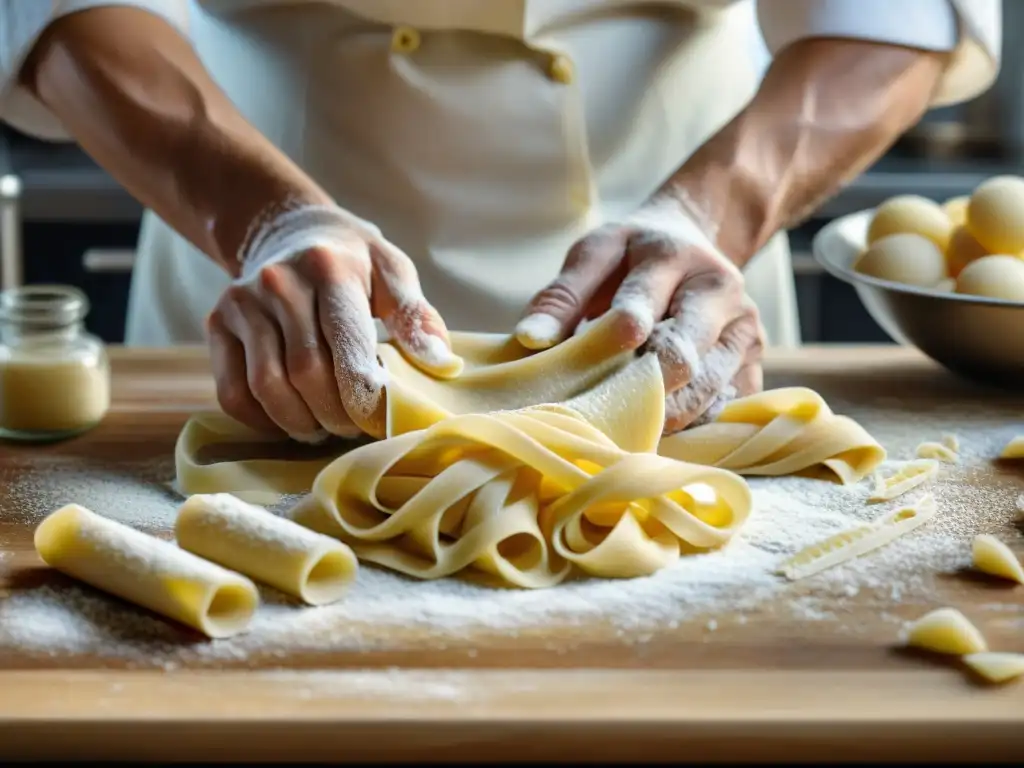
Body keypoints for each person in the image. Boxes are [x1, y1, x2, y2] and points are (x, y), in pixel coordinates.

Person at [0, 0, 1000, 442]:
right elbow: (63, 5)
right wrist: (265, 220)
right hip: (267, 289)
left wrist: (709, 211)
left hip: (674, 288)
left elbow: (891, 15)